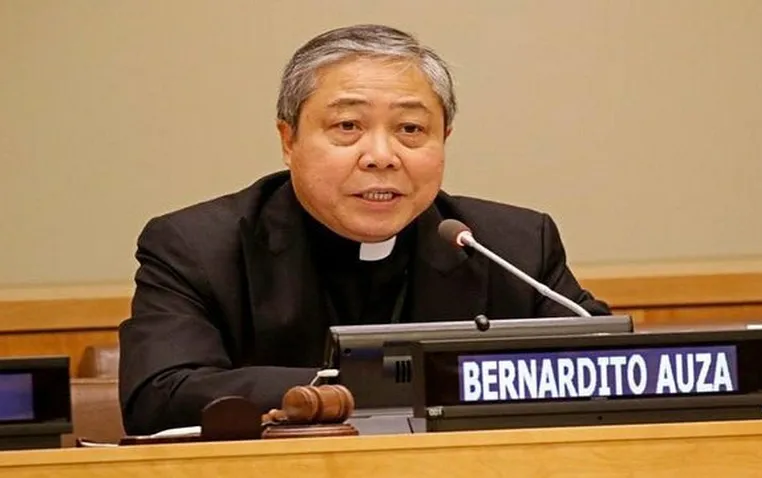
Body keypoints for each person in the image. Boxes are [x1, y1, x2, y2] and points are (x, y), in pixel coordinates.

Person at [118, 24, 610, 435]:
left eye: (411, 129)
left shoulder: (512, 245)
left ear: (444, 139)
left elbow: (605, 367)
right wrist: (369, 385)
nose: (381, 156)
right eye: (348, 126)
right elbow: (161, 394)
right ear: (288, 140)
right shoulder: (197, 247)